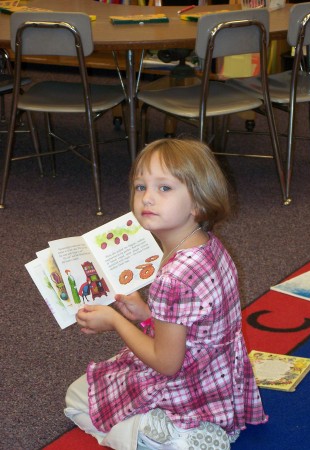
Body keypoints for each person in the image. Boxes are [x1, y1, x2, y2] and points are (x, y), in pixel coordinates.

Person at [64, 138, 268, 450]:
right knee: (91, 390)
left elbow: (167, 363)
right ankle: (193, 428)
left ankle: (165, 433)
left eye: (164, 188)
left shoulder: (172, 278)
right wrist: (148, 315)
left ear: (198, 202)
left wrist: (118, 323)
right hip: (217, 378)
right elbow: (197, 321)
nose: (147, 198)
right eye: (140, 186)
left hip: (183, 383)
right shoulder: (207, 244)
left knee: (77, 399)